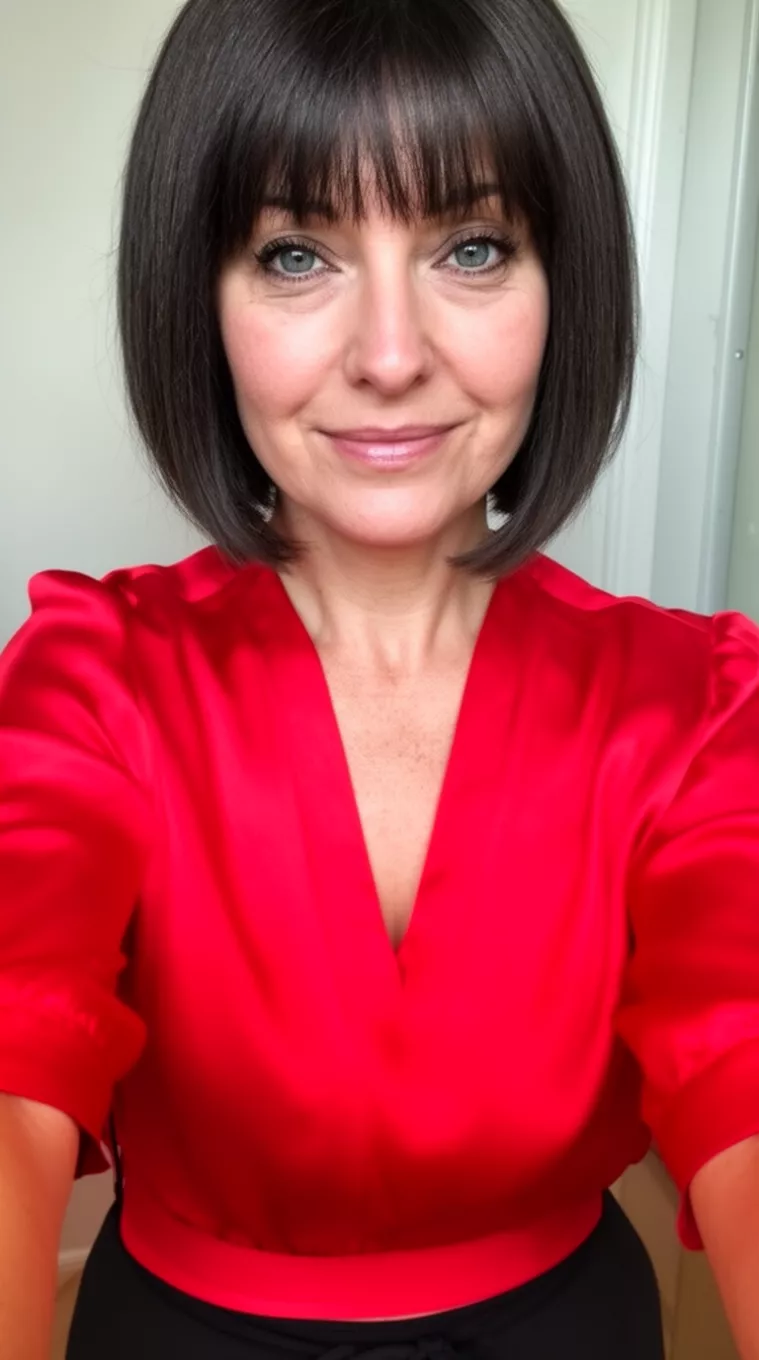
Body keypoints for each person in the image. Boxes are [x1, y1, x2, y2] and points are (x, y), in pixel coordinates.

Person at [1, 0, 758, 1355]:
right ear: (201, 299)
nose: (393, 355)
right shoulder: (92, 683)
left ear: (559, 283)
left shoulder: (689, 704)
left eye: (471, 246)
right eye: (297, 254)